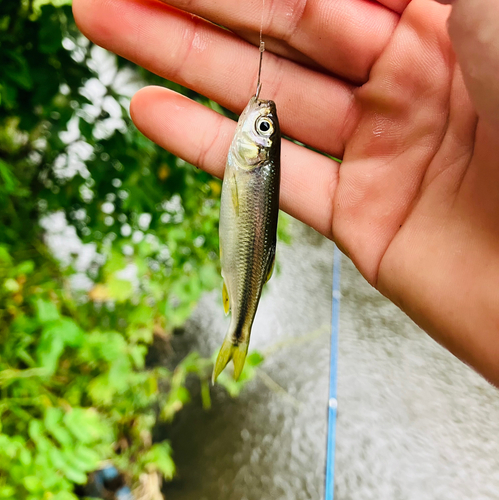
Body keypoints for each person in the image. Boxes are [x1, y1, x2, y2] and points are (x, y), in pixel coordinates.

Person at [72, 0, 499, 387]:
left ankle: (238, 333)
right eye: (264, 128)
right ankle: (239, 332)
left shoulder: (251, 161)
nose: (260, 120)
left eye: (263, 128)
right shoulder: (252, 162)